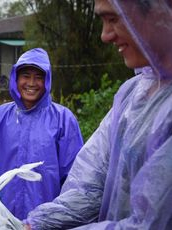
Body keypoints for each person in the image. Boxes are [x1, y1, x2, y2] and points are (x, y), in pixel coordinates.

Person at [25, 0, 172, 229]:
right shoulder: (132, 96)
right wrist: (32, 225)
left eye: (113, 19)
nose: (104, 35)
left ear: (158, 11)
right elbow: (90, 186)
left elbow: (153, 223)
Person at [0, 48, 84, 220]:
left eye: (39, 77)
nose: (31, 83)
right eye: (26, 76)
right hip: (2, 217)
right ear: (16, 78)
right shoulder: (1, 116)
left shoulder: (63, 119)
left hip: (44, 220)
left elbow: (74, 178)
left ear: (47, 80)